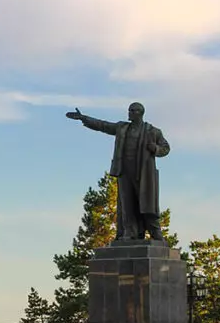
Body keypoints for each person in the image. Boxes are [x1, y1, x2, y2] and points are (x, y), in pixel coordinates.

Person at [66, 103, 170, 241]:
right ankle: (130, 232)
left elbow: (165, 148)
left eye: (132, 110)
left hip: (144, 173)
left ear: (140, 113)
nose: (129, 113)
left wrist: (155, 148)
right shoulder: (122, 127)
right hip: (124, 171)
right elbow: (103, 125)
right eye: (129, 110)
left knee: (147, 204)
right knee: (127, 204)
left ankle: (155, 232)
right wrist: (84, 118)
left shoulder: (153, 131)